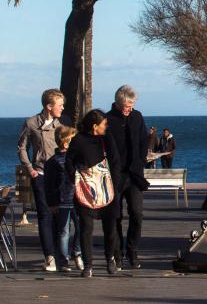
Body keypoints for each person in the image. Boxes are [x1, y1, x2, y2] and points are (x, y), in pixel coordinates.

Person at [67, 108, 123, 277]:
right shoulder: (78, 140)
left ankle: (109, 260)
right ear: (94, 126)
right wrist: (76, 178)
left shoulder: (107, 139)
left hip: (108, 189)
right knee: (86, 228)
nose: (106, 126)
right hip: (86, 190)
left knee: (110, 229)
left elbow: (115, 162)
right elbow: (69, 162)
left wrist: (115, 185)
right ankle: (88, 265)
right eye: (103, 123)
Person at [16, 88, 65, 272]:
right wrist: (30, 169)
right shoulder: (31, 123)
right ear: (49, 106)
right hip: (41, 174)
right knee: (44, 216)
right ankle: (50, 257)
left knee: (61, 216)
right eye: (60, 105)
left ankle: (64, 255)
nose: (62, 108)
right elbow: (21, 147)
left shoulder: (62, 124)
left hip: (60, 176)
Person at [105, 85, 149, 269]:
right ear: (117, 103)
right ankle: (117, 253)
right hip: (115, 175)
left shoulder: (137, 116)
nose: (129, 109)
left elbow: (143, 139)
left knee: (137, 213)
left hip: (134, 174)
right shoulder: (108, 119)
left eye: (131, 105)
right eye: (126, 106)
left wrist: (141, 160)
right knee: (116, 216)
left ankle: (132, 251)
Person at [44, 125, 84, 272]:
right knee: (63, 231)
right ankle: (63, 259)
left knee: (82, 228)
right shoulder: (53, 162)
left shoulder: (76, 159)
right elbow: (49, 185)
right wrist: (52, 203)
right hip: (62, 201)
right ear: (66, 143)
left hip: (78, 199)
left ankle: (77, 251)